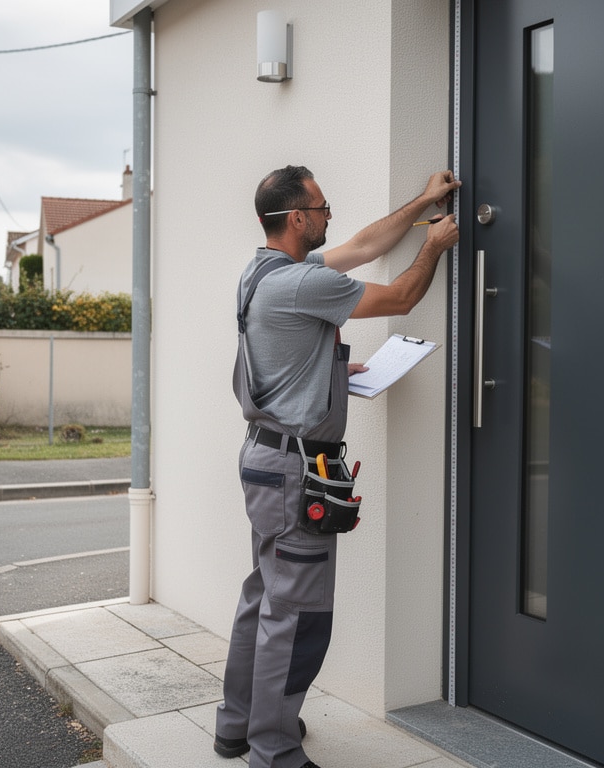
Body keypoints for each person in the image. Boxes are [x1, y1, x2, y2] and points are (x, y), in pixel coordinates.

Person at [216, 165, 460, 768]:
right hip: (294, 470)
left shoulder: (262, 272)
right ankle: (273, 750)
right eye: (323, 208)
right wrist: (433, 244)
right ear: (297, 218)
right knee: (295, 616)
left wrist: (421, 201)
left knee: (263, 596)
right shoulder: (301, 284)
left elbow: (364, 246)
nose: (331, 217)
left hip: (266, 458)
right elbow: (401, 295)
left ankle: (238, 724)